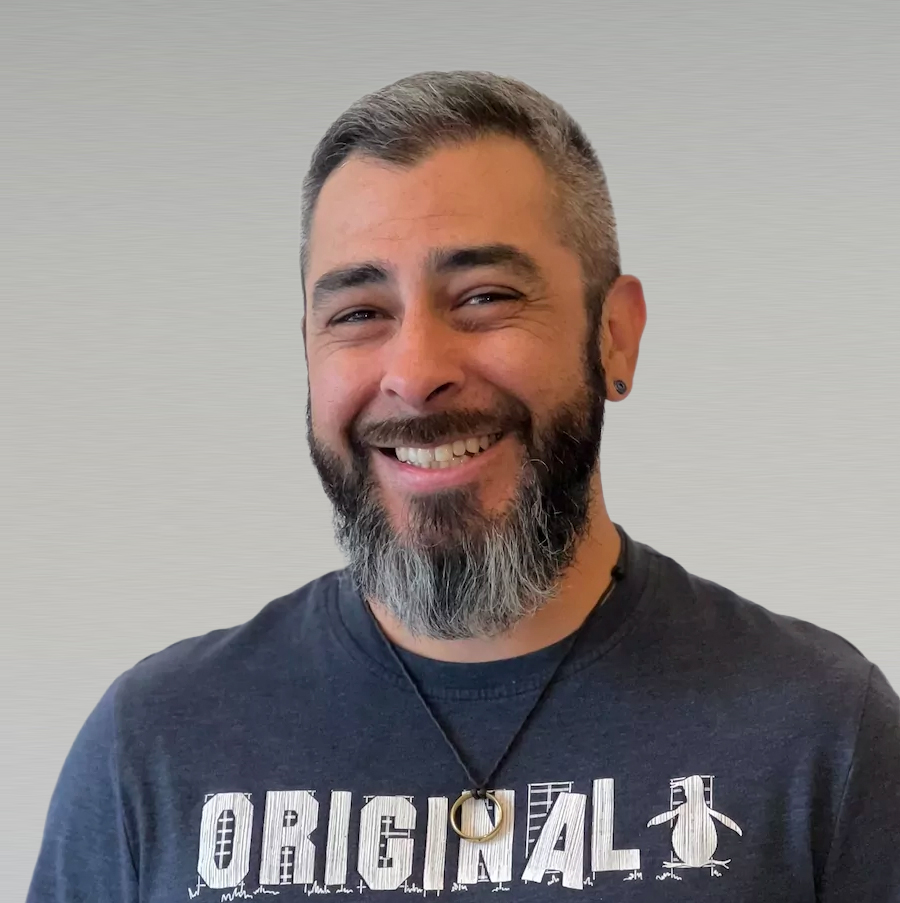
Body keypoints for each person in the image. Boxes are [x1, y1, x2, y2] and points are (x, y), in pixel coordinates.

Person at [27, 70, 900, 902]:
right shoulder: (153, 746)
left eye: (483, 296)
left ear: (616, 338)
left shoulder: (820, 730)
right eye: (359, 314)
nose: (414, 372)